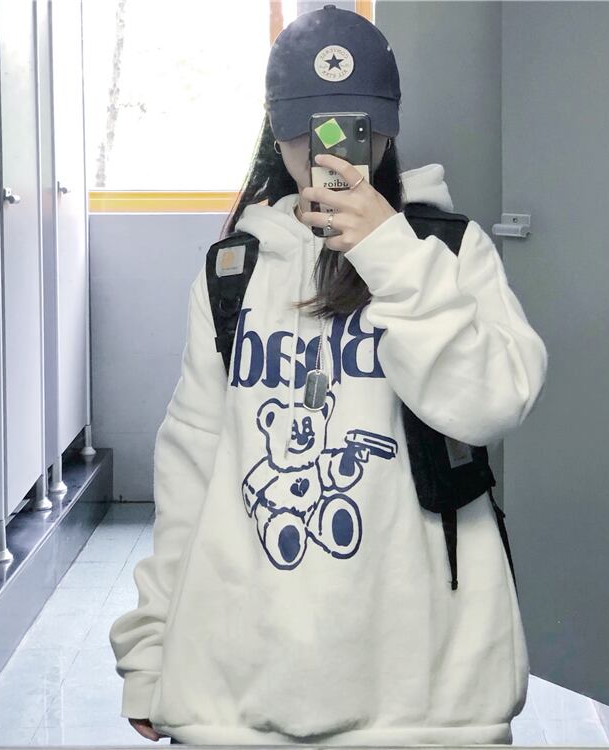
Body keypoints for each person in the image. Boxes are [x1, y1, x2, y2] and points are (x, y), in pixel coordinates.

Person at [109, 4, 548, 746]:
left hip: (426, 694)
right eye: (306, 130)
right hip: (239, 694)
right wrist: (151, 649)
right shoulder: (233, 271)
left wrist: (389, 253)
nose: (330, 150)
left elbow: (490, 403)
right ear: (275, 130)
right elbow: (190, 469)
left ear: (387, 127)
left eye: (352, 128)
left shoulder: (449, 251)